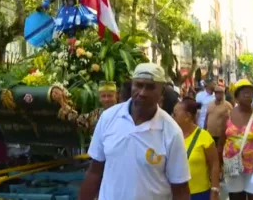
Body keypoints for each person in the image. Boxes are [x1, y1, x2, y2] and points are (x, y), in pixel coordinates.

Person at [79, 63, 191, 200]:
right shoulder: (108, 118)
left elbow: (180, 189)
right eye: (138, 85)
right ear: (132, 86)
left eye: (150, 87)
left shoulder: (171, 132)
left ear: (161, 93)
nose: (142, 92)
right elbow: (95, 172)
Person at [220, 79, 253, 200]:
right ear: (236, 97)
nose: (248, 95)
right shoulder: (228, 115)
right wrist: (219, 164)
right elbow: (221, 141)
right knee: (236, 196)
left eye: (250, 92)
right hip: (233, 166)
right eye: (244, 92)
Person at [174, 99, 220, 200]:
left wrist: (215, 190)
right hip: (176, 193)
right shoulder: (171, 136)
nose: (172, 116)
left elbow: (214, 165)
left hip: (200, 194)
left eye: (175, 113)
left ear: (187, 116)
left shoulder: (204, 137)